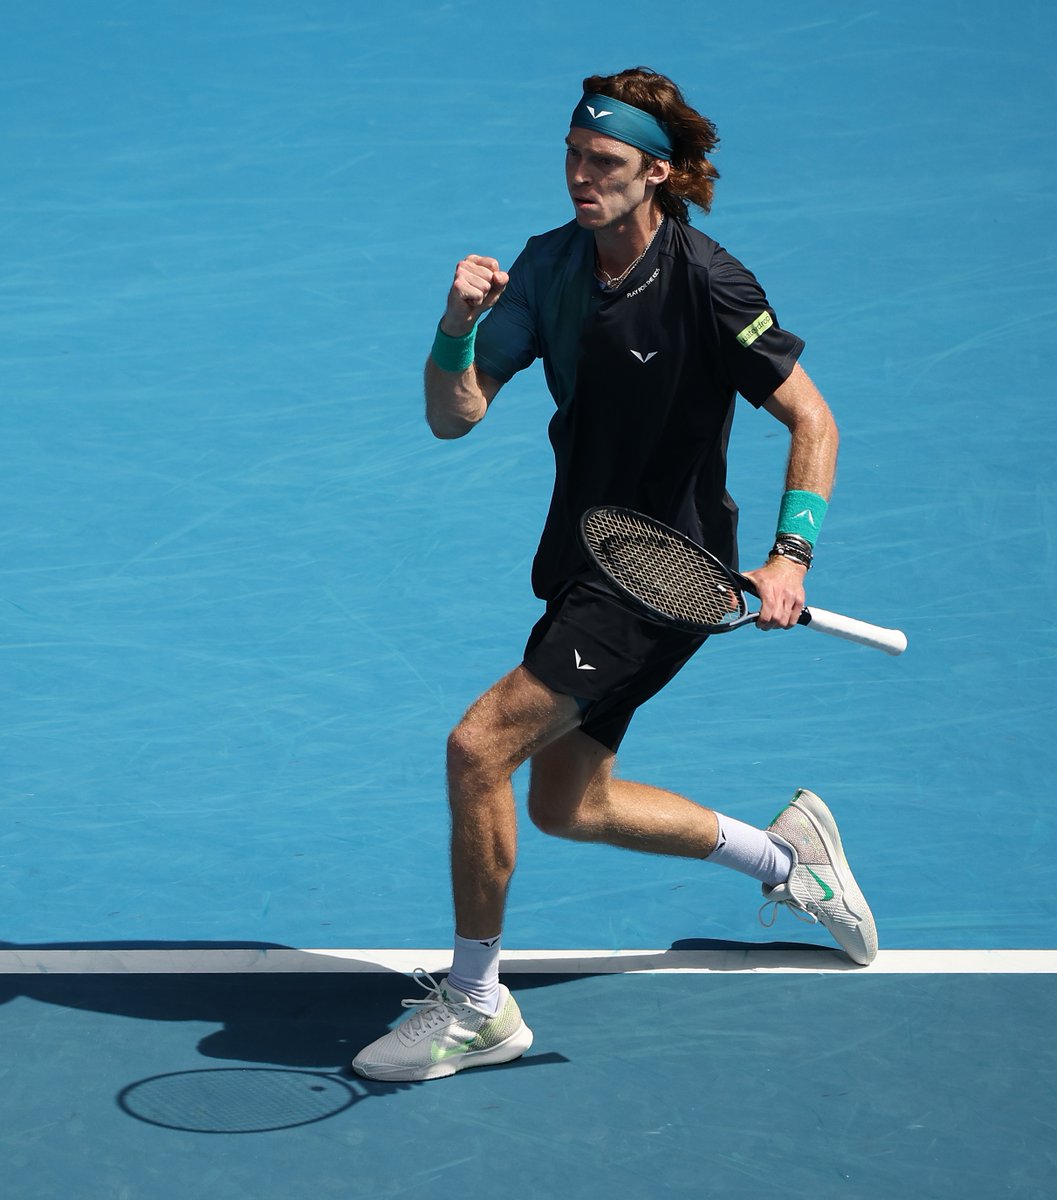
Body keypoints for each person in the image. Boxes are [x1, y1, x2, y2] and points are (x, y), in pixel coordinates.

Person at [353, 67, 877, 1083]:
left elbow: (813, 419)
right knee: (567, 804)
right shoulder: (548, 267)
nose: (580, 178)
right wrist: (455, 326)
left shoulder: (712, 283)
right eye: (572, 156)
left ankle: (474, 1003)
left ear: (659, 174)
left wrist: (790, 555)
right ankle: (789, 860)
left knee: (476, 751)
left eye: (604, 164)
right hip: (586, 559)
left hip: (662, 576)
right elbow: (452, 414)